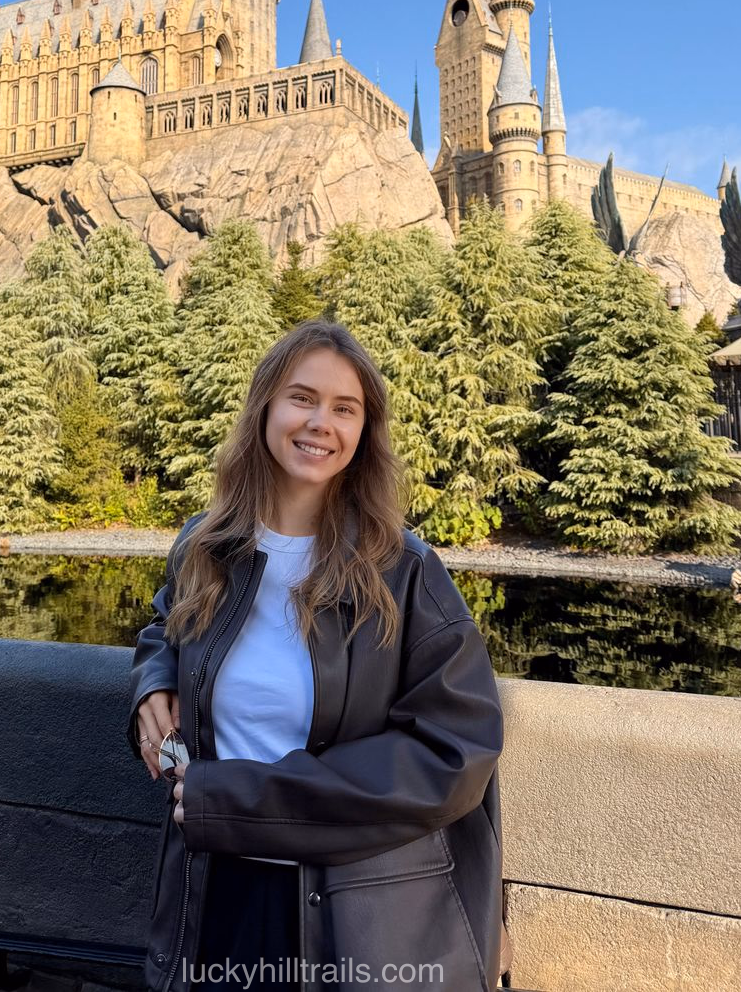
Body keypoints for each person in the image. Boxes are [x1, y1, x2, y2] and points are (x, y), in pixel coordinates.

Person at [127, 319, 507, 991]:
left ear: (364, 432)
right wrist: (153, 679)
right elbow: (166, 620)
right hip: (214, 895)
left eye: (344, 408)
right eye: (302, 397)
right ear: (266, 405)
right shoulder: (203, 544)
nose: (319, 423)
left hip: (355, 918)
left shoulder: (407, 572)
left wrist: (240, 798)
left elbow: (457, 753)